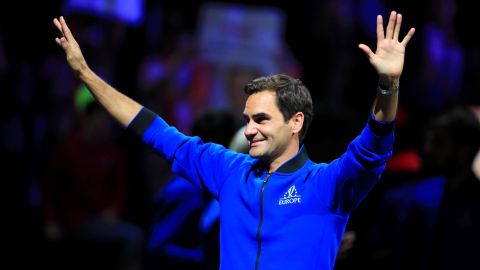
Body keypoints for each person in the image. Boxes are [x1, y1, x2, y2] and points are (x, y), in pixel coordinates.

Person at [53, 10, 415, 270]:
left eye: (261, 119)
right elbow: (155, 131)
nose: (249, 129)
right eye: (247, 120)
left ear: (295, 122)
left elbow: (374, 146)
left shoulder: (328, 184)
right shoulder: (229, 170)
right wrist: (87, 74)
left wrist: (388, 85)